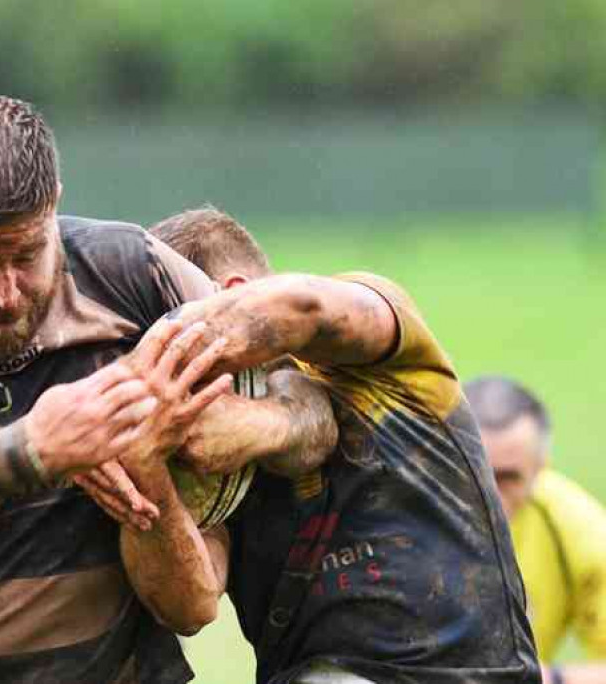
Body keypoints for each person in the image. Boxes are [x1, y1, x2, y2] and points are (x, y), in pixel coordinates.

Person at [0, 95, 332, 684]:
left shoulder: (135, 275)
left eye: (27, 255)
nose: (7, 292)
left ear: (54, 210)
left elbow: (307, 399)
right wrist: (31, 452)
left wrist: (245, 427)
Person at [116, 207, 540, 684]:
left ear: (233, 297)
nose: (162, 369)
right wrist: (143, 464)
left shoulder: (385, 355)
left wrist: (128, 376)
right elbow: (188, 605)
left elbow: (306, 306)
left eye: (169, 336)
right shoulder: (188, 437)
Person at [465, 376, 606, 684]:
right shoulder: (391, 518)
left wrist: (547, 678)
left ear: (541, 467)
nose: (492, 497)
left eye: (508, 478)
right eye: (476, 475)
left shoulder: (579, 530)